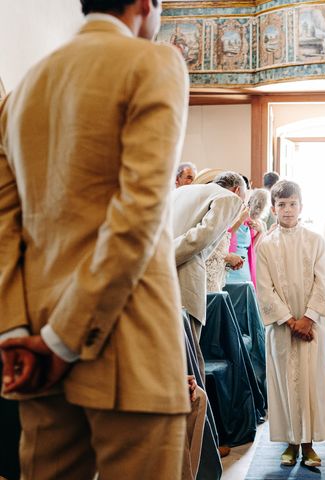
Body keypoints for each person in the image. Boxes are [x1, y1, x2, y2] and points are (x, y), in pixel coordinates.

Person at [0, 1, 192, 478]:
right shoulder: (153, 62)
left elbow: (4, 225)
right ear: (146, 4)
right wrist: (64, 340)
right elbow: (139, 213)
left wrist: (17, 335)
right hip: (130, 345)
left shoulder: (21, 91)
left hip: (35, 354)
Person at [256, 180, 325, 468]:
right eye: (281, 205)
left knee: (311, 383)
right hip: (282, 328)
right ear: (274, 209)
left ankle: (310, 445)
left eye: (292, 204)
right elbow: (264, 289)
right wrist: (291, 321)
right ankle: (290, 442)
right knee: (284, 382)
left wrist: (308, 318)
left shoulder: (315, 241)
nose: (287, 210)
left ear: (301, 206)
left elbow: (324, 281)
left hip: (311, 326)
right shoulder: (266, 245)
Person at [172, 170, 244, 377]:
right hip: (186, 282)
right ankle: (195, 409)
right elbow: (200, 238)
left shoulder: (180, 193)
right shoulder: (229, 198)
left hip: (159, 284)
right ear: (238, 190)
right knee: (189, 362)